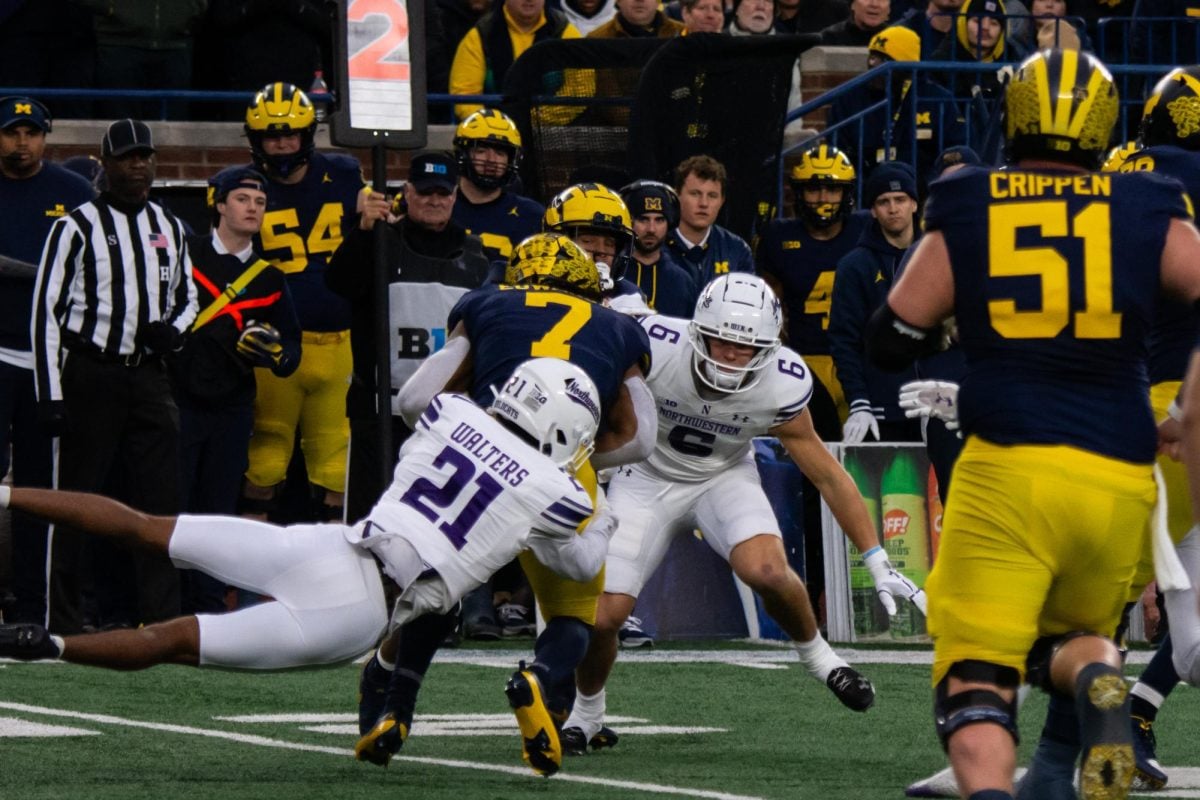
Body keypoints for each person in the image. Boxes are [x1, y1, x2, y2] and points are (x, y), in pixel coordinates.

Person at [864, 48, 1200, 800]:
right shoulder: (1150, 205)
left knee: (975, 661)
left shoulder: (970, 197)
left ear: (1013, 112)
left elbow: (891, 336)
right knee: (1077, 637)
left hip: (1010, 464)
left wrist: (953, 326)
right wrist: (1190, 406)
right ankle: (1100, 685)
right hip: (1119, 472)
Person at [0, 359, 615, 766]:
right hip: (354, 611)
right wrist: (602, 513)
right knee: (171, 640)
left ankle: (6, 492)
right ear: (563, 425)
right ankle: (50, 645)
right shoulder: (554, 490)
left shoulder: (452, 414)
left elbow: (417, 396)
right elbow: (583, 561)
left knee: (146, 528)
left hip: (327, 546)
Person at [561, 273, 926, 755]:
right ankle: (587, 715)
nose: (732, 356)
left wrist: (876, 556)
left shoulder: (782, 383)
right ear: (697, 330)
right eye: (723, 340)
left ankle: (821, 659)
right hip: (644, 477)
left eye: (747, 346)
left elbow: (828, 475)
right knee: (606, 616)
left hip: (723, 476)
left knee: (768, 570)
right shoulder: (653, 343)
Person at [356, 233, 655, 775]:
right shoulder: (617, 326)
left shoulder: (489, 304)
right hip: (566, 475)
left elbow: (415, 399)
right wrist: (578, 463)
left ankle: (394, 702)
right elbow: (641, 438)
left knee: (438, 588)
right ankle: (540, 680)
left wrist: (467, 430)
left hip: (481, 462)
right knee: (572, 614)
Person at [33, 118, 198, 635]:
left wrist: (173, 331)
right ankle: (65, 617)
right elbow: (45, 311)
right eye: (128, 157)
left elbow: (189, 296)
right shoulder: (74, 226)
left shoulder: (168, 225)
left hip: (148, 376)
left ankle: (162, 618)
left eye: (145, 156)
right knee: (80, 498)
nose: (139, 166)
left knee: (160, 501)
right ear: (104, 164)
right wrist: (51, 393)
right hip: (92, 373)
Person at [1111, 65, 1200, 793]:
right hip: (1173, 407)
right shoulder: (1183, 182)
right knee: (1107, 589)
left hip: (1116, 389)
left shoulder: (1114, 172)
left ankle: (1131, 715)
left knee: (1192, 627)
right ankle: (1089, 732)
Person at [326, 150, 490, 524]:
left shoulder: (476, 257)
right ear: (409, 192)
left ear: (454, 196)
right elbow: (339, 283)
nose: (434, 201)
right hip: (380, 411)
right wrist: (364, 233)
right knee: (369, 517)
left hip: (449, 415)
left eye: (443, 193)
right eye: (426, 192)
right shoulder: (380, 242)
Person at [173, 166, 301, 614]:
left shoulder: (270, 278)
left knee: (218, 510)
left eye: (260, 203)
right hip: (177, 401)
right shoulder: (183, 256)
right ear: (220, 205)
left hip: (232, 407)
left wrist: (278, 355)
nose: (253, 209)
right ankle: (165, 600)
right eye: (243, 200)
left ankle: (208, 604)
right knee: (173, 502)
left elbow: (292, 350)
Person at [241, 82, 365, 524]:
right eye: (272, 136)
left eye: (290, 134)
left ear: (307, 134)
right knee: (265, 457)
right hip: (275, 341)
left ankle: (332, 571)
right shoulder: (243, 187)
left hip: (339, 341)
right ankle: (247, 574)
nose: (282, 144)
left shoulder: (346, 175)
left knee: (335, 462)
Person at [0, 96, 94, 624]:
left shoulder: (73, 191)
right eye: (12, 133)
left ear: (45, 137)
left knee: (42, 489)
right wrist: (46, 274)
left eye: (31, 133)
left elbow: (91, 267)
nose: (22, 143)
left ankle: (36, 609)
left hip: (49, 359)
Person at [758, 144, 865, 441]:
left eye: (832, 189)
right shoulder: (779, 237)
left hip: (857, 358)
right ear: (798, 192)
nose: (822, 198)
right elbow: (770, 307)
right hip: (804, 359)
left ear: (846, 193)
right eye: (814, 189)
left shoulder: (866, 229)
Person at [828, 162, 921, 446]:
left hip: (934, 405)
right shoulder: (854, 266)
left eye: (900, 199)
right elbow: (844, 341)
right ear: (873, 210)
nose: (893, 208)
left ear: (915, 204)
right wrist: (858, 401)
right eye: (883, 202)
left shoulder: (937, 256)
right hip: (881, 410)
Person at [828, 26, 967, 180]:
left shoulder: (936, 99)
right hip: (867, 191)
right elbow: (839, 150)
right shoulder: (849, 98)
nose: (874, 64)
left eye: (885, 60)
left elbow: (954, 150)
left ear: (906, 66)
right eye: (872, 57)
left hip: (925, 191)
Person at [449, 0, 584, 121]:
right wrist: (493, 128)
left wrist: (539, 120)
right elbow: (465, 95)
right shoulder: (480, 35)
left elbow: (580, 91)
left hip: (552, 133)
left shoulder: (565, 33)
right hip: (494, 138)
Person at [74, 0, 207, 120]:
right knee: (123, 131)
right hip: (119, 46)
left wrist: (194, 7)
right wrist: (112, 7)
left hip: (176, 47)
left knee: (171, 132)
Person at [450, 109, 545, 264]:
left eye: (500, 153)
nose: (491, 160)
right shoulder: (438, 204)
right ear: (463, 154)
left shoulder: (532, 215)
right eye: (481, 151)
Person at [664, 155, 754, 293]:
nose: (703, 203)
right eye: (695, 194)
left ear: (722, 200)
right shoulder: (657, 247)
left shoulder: (737, 250)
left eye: (712, 196)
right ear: (677, 196)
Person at [619, 179, 698, 317]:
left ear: (670, 223)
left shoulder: (683, 281)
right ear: (628, 222)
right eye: (643, 219)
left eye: (659, 220)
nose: (651, 229)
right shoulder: (614, 274)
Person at [587, 0, 685, 37]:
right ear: (618, 1)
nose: (639, 0)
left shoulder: (684, 33)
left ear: (658, 2)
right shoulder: (596, 39)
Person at [819, 0, 891, 45]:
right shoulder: (830, 37)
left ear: (889, 9)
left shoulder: (897, 38)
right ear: (852, 5)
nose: (875, 4)